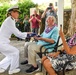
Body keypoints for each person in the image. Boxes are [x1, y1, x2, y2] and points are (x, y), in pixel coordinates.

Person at [0, 6, 32, 74]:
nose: (18, 14)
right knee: (15, 52)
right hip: (2, 43)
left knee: (11, 55)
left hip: (2, 42)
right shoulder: (9, 21)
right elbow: (18, 34)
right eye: (17, 12)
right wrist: (29, 34)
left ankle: (1, 67)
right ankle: (13, 69)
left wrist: (27, 33)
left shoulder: (11, 20)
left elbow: (17, 32)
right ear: (12, 13)